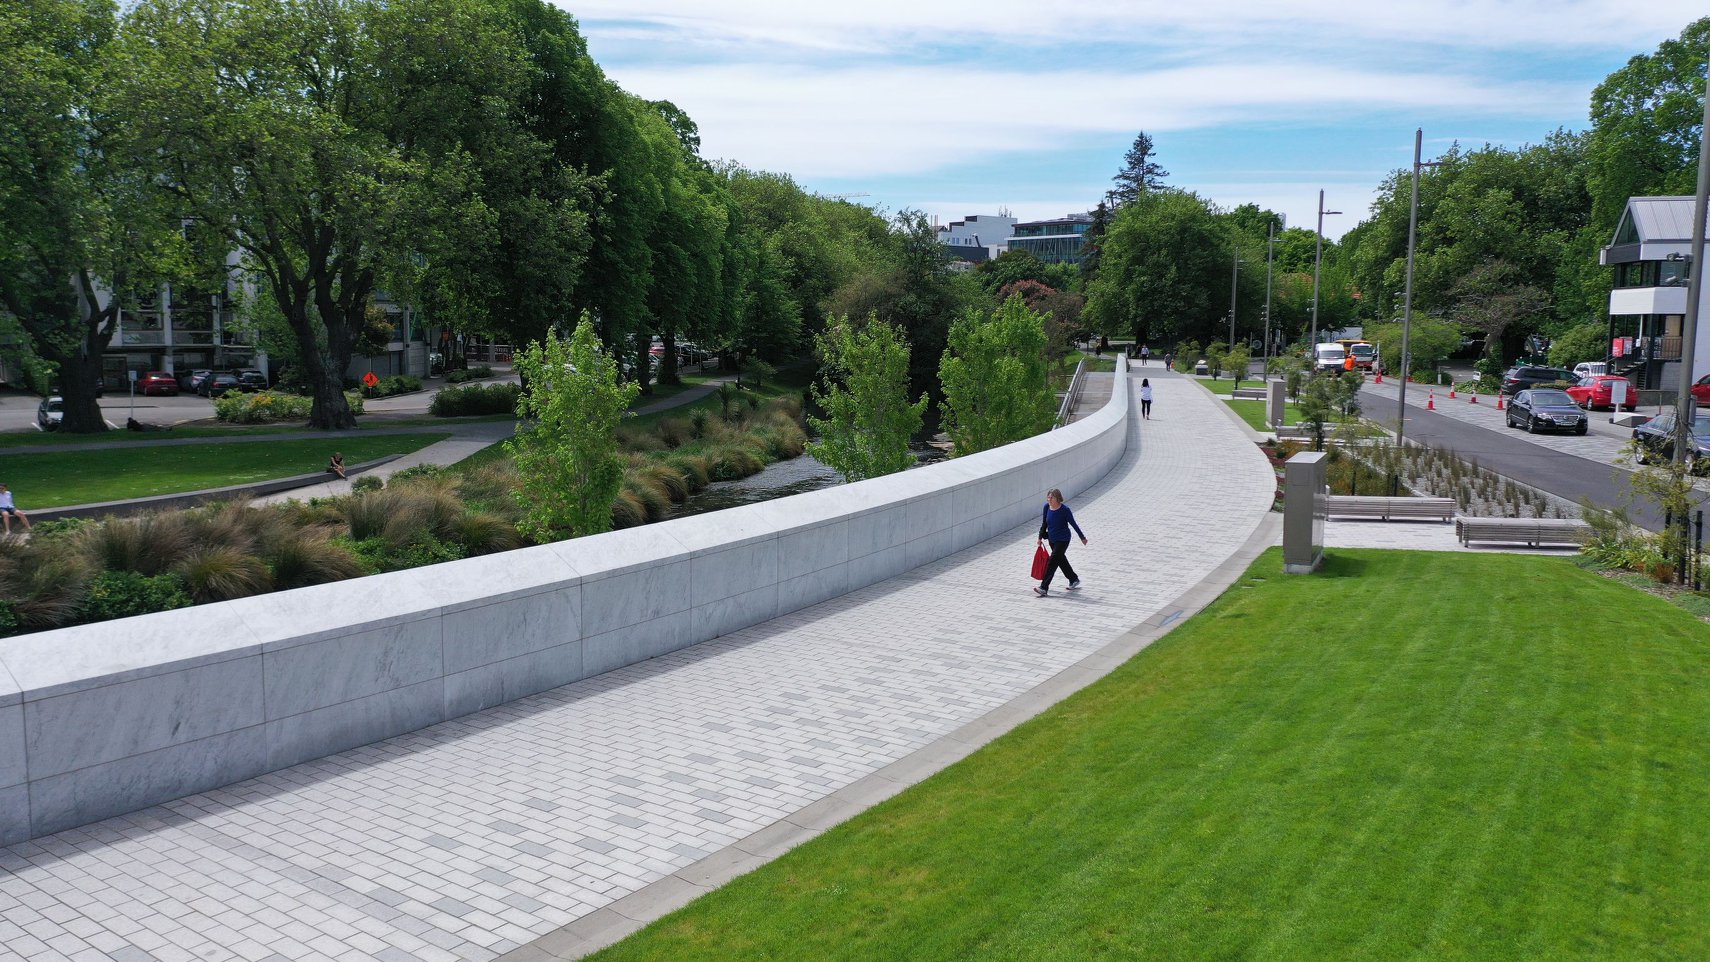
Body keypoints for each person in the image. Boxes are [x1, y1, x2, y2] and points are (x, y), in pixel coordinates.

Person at [1034, 488, 1087, 597]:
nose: (1049, 499)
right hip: (1052, 539)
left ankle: (1044, 587)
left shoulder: (1065, 510)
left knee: (1052, 562)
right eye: (1048, 497)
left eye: (1051, 497)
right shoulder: (1046, 507)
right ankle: (1074, 579)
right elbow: (1044, 523)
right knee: (1061, 560)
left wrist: (1082, 537)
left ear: (1057, 498)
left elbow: (1074, 524)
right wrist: (1040, 537)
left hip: (1063, 539)